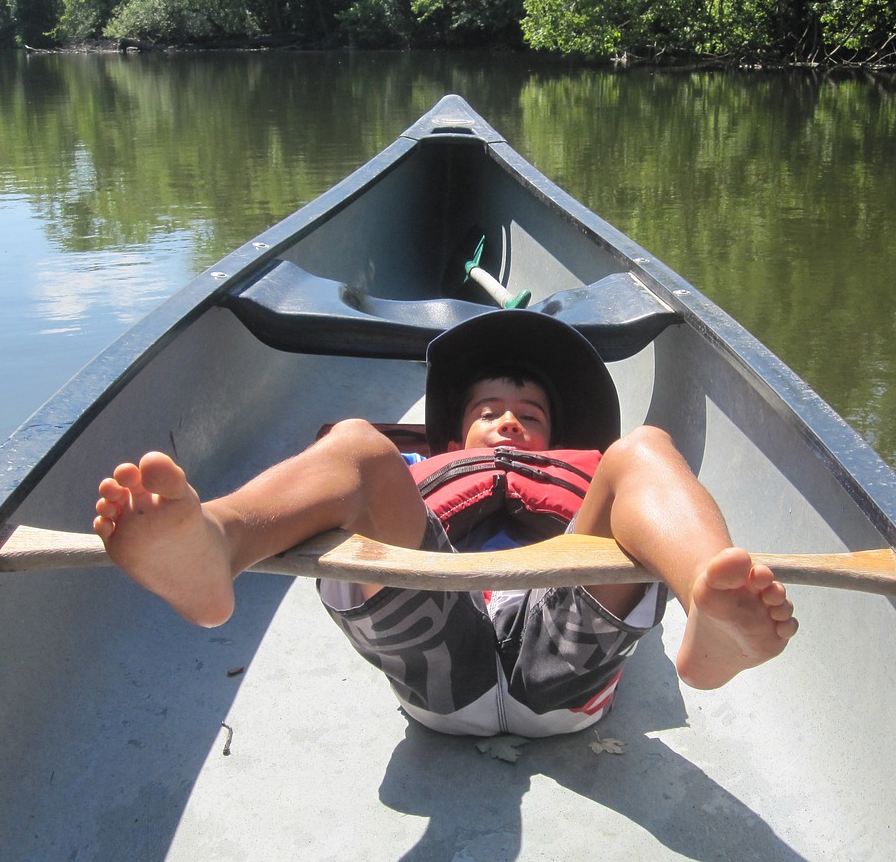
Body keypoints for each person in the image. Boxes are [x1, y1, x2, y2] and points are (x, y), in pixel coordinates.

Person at [94, 309, 797, 737]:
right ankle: (218, 542)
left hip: (563, 660)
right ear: (450, 443)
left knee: (645, 449)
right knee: (356, 444)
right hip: (437, 644)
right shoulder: (413, 473)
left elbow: (622, 487)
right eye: (488, 411)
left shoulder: (591, 472)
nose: (509, 424)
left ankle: (709, 597)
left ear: (555, 442)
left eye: (530, 417)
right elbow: (376, 483)